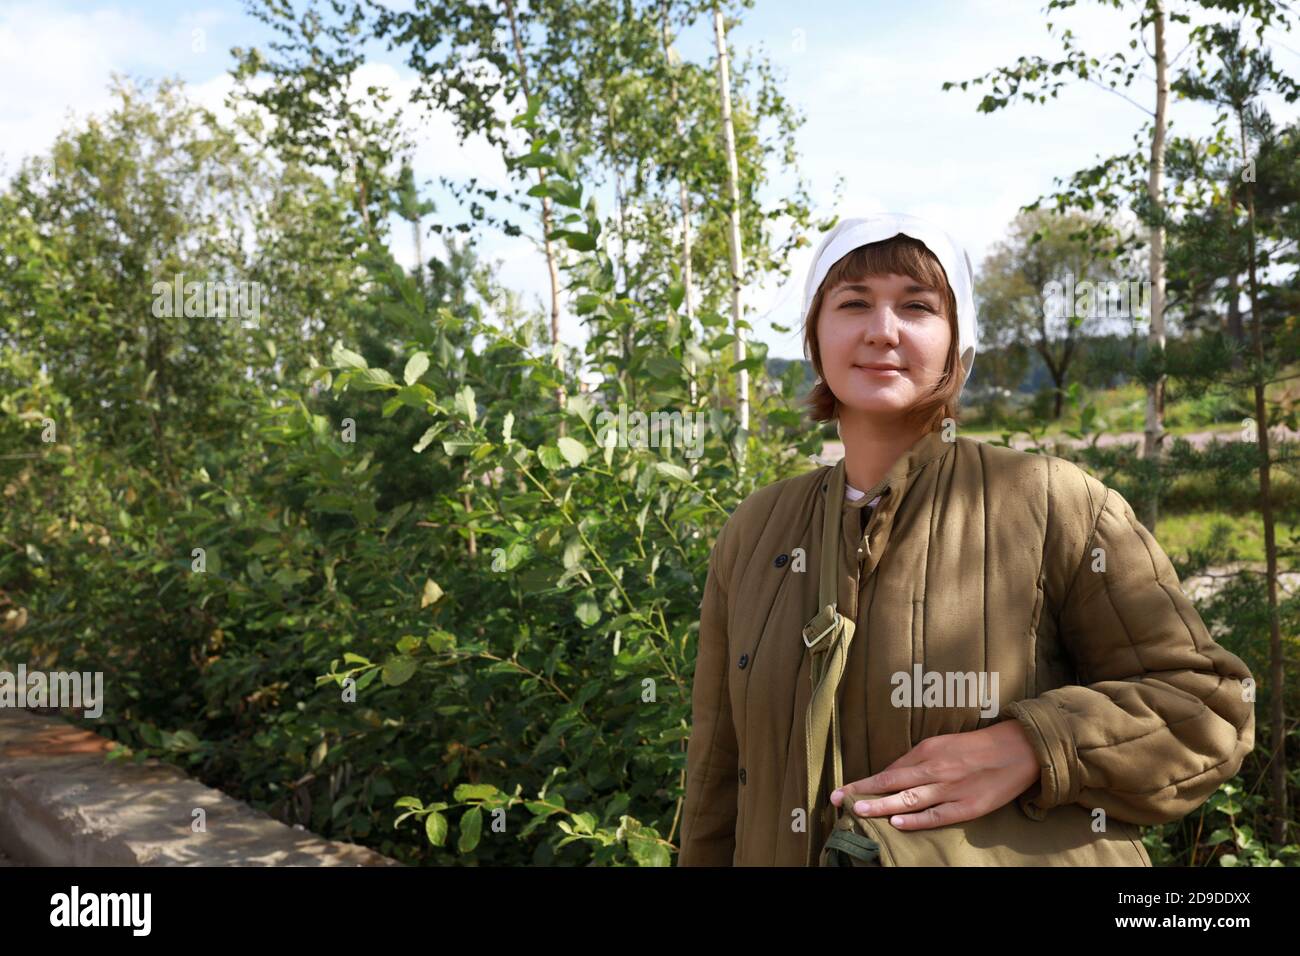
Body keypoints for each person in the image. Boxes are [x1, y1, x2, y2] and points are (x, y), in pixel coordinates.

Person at [677, 212, 1255, 866]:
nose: (881, 330)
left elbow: (1209, 707)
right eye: (853, 303)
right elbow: (717, 772)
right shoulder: (755, 532)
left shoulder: (1055, 503)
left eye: (917, 306)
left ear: (958, 341)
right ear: (816, 335)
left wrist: (1034, 747)